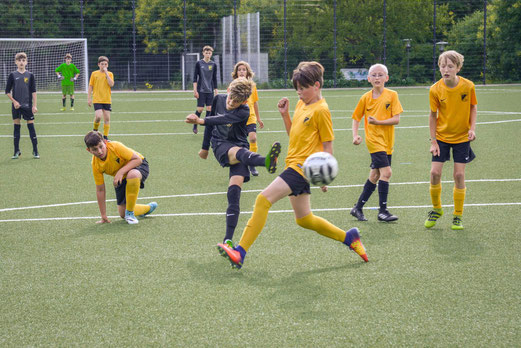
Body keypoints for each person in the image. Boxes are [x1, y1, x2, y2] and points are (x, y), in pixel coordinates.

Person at [216, 62, 368, 270]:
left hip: (302, 169)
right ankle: (349, 238)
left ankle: (240, 251)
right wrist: (285, 115)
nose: (299, 92)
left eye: (302, 88)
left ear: (316, 85)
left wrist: (323, 175)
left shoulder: (321, 110)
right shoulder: (301, 103)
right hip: (293, 163)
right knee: (304, 219)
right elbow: (293, 135)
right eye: (296, 88)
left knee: (262, 200)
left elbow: (328, 145)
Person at [187, 77, 281, 247]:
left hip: (240, 147)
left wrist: (200, 120)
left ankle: (227, 240)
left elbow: (224, 118)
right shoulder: (218, 99)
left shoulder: (244, 110)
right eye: (230, 97)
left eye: (236, 101)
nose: (230, 102)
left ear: (244, 101)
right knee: (239, 153)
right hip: (221, 144)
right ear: (228, 90)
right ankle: (265, 161)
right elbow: (213, 121)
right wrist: (204, 148)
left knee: (234, 194)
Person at [425, 50, 477, 230]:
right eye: (442, 66)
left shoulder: (468, 86)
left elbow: (473, 107)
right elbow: (432, 116)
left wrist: (472, 128)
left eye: (450, 66)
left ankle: (457, 215)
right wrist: (433, 141)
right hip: (441, 138)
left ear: (458, 68)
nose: (445, 69)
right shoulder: (435, 89)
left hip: (462, 138)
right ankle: (437, 209)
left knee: (459, 175)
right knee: (434, 173)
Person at [350, 64, 403, 222]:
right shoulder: (365, 98)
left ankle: (357, 208)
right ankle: (383, 211)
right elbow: (356, 117)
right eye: (374, 75)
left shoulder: (392, 95)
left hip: (387, 142)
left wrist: (378, 121)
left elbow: (397, 119)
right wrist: (355, 135)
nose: (377, 78)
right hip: (374, 141)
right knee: (386, 173)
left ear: (386, 78)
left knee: (375, 175)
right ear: (368, 79)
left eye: (380, 75)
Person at [84, 131, 157, 225]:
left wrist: (120, 172)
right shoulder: (95, 165)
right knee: (122, 213)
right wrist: (103, 215)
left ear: (104, 142)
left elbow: (137, 160)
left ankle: (130, 214)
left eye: (101, 146)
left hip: (138, 165)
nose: (99, 151)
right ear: (89, 150)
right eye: (94, 149)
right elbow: (100, 190)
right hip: (122, 176)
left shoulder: (115, 146)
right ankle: (147, 208)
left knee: (132, 174)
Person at [231, 61, 264, 176]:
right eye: (239, 70)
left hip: (250, 117)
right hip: (239, 117)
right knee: (241, 142)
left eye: (244, 69)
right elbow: (229, 103)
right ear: (236, 72)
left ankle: (252, 164)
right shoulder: (232, 85)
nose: (241, 72)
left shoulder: (252, 85)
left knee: (253, 138)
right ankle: (242, 162)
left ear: (247, 72)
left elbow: (254, 102)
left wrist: (258, 118)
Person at [5, 52, 39, 159]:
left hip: (28, 106)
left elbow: (33, 92)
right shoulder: (12, 75)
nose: (21, 62)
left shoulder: (30, 75)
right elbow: (7, 91)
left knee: (31, 127)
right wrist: (14, 101)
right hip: (16, 107)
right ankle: (16, 151)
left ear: (26, 62)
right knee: (16, 128)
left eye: (23, 60)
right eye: (19, 60)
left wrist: (35, 105)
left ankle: (35, 150)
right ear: (16, 62)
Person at [192, 45, 218, 134]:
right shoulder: (199, 63)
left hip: (210, 91)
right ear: (203, 53)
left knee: (209, 109)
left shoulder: (214, 64)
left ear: (211, 54)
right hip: (201, 90)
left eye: (209, 53)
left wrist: (216, 91)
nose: (208, 54)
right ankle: (195, 125)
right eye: (206, 53)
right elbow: (195, 78)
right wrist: (195, 90)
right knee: (200, 109)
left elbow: (214, 79)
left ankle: (207, 128)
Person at [88, 56, 114, 140]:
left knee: (107, 118)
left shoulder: (110, 74)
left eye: (105, 64)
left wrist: (106, 73)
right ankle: (95, 130)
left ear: (107, 65)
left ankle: (105, 137)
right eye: (102, 64)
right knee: (98, 116)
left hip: (106, 99)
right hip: (97, 99)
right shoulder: (94, 73)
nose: (104, 66)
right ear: (98, 64)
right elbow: (90, 86)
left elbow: (111, 84)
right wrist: (89, 98)